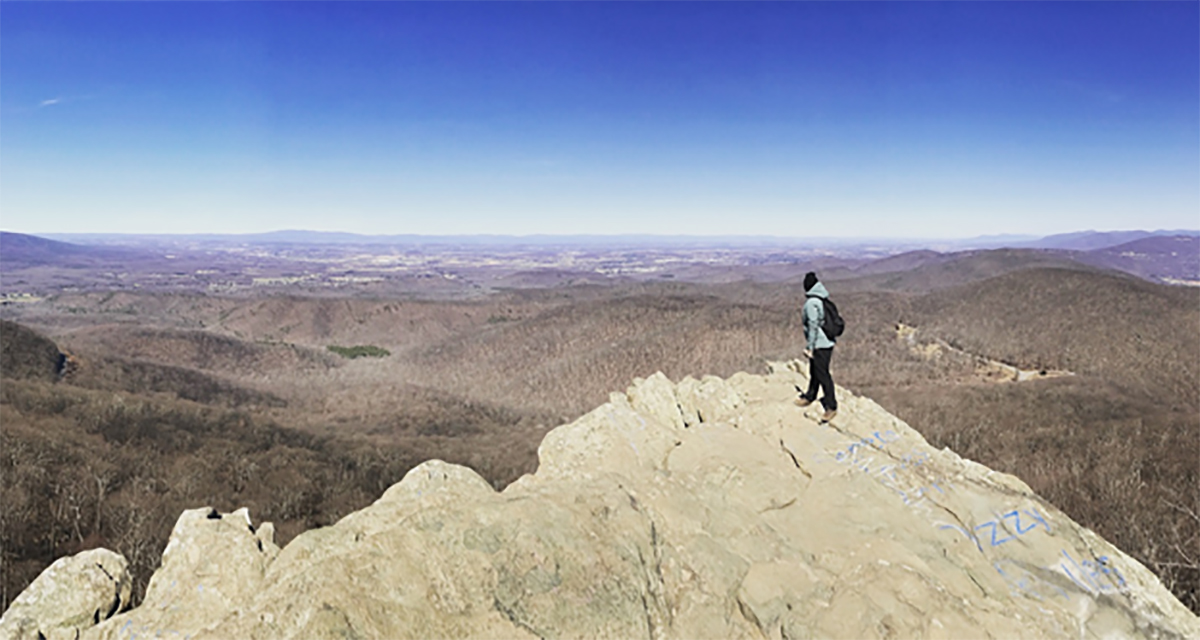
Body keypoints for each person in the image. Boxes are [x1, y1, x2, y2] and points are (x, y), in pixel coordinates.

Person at [795, 271, 837, 422]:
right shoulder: (821, 299)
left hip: (820, 344)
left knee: (823, 374)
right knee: (815, 371)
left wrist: (810, 347)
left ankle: (831, 406)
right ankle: (810, 395)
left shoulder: (812, 303)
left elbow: (812, 325)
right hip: (827, 342)